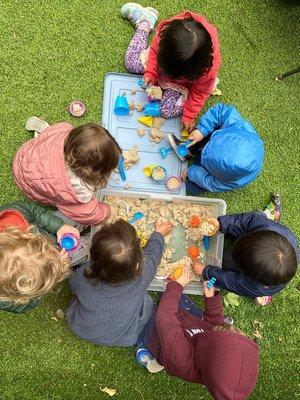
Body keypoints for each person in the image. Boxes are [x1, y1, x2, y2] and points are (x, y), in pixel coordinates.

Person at [146, 267, 259, 400]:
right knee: (171, 292)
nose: (232, 328)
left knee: (148, 306)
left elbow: (164, 318)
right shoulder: (215, 345)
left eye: (225, 332)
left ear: (212, 355)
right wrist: (212, 299)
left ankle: (146, 350)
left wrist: (176, 286)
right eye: (239, 333)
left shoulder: (182, 359)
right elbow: (216, 324)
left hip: (158, 333)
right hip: (187, 320)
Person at [67, 219, 173, 350]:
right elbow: (152, 255)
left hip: (81, 328)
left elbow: (72, 285)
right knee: (147, 302)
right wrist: (158, 234)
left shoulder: (85, 273)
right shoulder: (143, 275)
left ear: (94, 257)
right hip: (121, 338)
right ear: (138, 265)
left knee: (79, 297)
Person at [121, 4, 221, 131]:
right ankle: (145, 22)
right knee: (131, 62)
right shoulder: (166, 38)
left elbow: (200, 92)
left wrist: (189, 116)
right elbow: (154, 54)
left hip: (182, 81)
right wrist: (151, 73)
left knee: (167, 110)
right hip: (163, 64)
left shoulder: (206, 72)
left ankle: (170, 80)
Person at [192, 194, 299, 305]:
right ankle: (268, 215)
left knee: (224, 261)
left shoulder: (254, 286)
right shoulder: (266, 227)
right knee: (256, 216)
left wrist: (206, 271)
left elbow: (230, 281)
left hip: (262, 283)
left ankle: (263, 295)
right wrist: (222, 224)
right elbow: (246, 221)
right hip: (265, 227)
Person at [13, 117, 122, 225]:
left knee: (58, 131)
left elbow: (63, 129)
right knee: (65, 199)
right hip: (28, 185)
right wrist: (108, 212)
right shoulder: (79, 190)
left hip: (24, 157)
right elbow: (88, 214)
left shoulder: (65, 135)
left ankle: (45, 130)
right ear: (92, 173)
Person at [168, 103, 264, 194]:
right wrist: (201, 131)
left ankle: (195, 155)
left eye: (205, 151)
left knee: (192, 188)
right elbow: (222, 111)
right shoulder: (239, 128)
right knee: (205, 132)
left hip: (211, 169)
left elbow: (211, 183)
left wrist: (191, 172)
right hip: (217, 137)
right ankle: (190, 149)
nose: (203, 149)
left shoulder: (232, 180)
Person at [0, 201, 73, 313]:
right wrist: (58, 268)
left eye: (44, 246)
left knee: (70, 219)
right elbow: (24, 305)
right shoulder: (8, 300)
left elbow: (33, 212)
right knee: (79, 251)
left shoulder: (13, 219)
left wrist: (58, 226)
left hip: (47, 230)